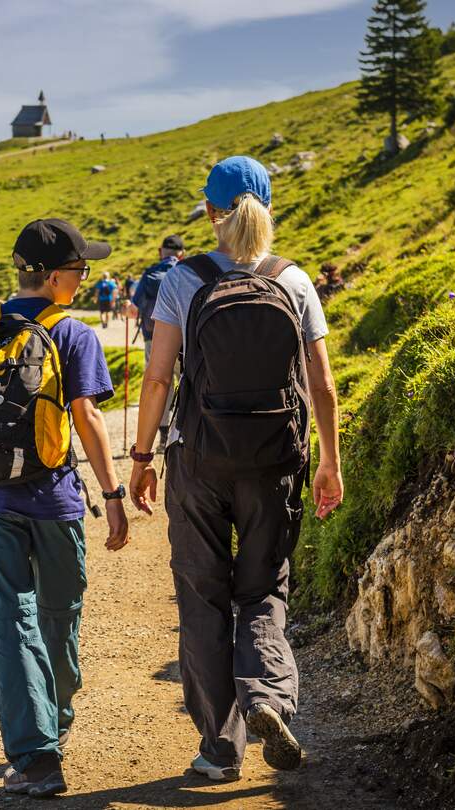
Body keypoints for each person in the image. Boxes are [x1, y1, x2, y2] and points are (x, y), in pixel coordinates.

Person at [128, 156, 342, 782]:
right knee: (263, 587)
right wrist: (329, 462)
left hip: (197, 458)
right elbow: (322, 383)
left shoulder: (184, 279)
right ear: (267, 209)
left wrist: (142, 458)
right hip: (275, 461)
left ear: (212, 213)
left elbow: (159, 378)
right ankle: (269, 700)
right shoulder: (294, 280)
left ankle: (220, 748)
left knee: (202, 594)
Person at [0, 218, 128, 799]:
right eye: (80, 270)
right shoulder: (74, 332)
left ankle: (36, 749)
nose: (85, 279)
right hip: (56, 501)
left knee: (10, 624)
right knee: (58, 614)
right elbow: (88, 418)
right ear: (55, 277)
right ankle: (51, 736)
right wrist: (113, 497)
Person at [130, 234, 185, 448]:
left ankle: (162, 438)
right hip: (182, 339)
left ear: (160, 252)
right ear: (181, 254)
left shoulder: (149, 274)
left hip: (153, 338)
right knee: (185, 381)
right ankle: (182, 431)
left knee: (159, 385)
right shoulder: (186, 272)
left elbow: (134, 308)